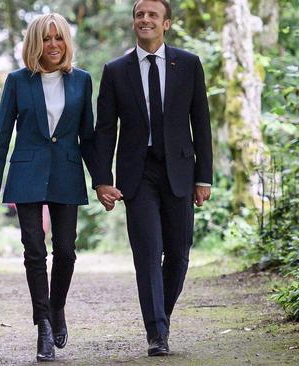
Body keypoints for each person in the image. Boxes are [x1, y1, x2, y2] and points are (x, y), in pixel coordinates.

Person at [91, 0, 213, 357]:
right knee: (147, 253)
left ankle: (162, 317)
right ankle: (156, 332)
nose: (145, 20)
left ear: (167, 24)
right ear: (134, 22)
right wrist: (102, 179)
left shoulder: (188, 64)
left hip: (179, 170)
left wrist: (203, 176)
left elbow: (201, 123)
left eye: (152, 15)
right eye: (139, 15)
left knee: (178, 253)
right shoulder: (115, 70)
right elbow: (104, 130)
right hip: (137, 173)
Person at [0, 13, 96, 362]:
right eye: (46, 39)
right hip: (26, 174)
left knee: (66, 252)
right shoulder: (18, 81)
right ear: (36, 43)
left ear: (66, 42)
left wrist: (102, 180)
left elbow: (87, 137)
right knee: (34, 252)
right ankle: (43, 325)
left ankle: (57, 306)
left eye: (58, 38)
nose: (54, 45)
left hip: (66, 172)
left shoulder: (82, 81)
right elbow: (2, 137)